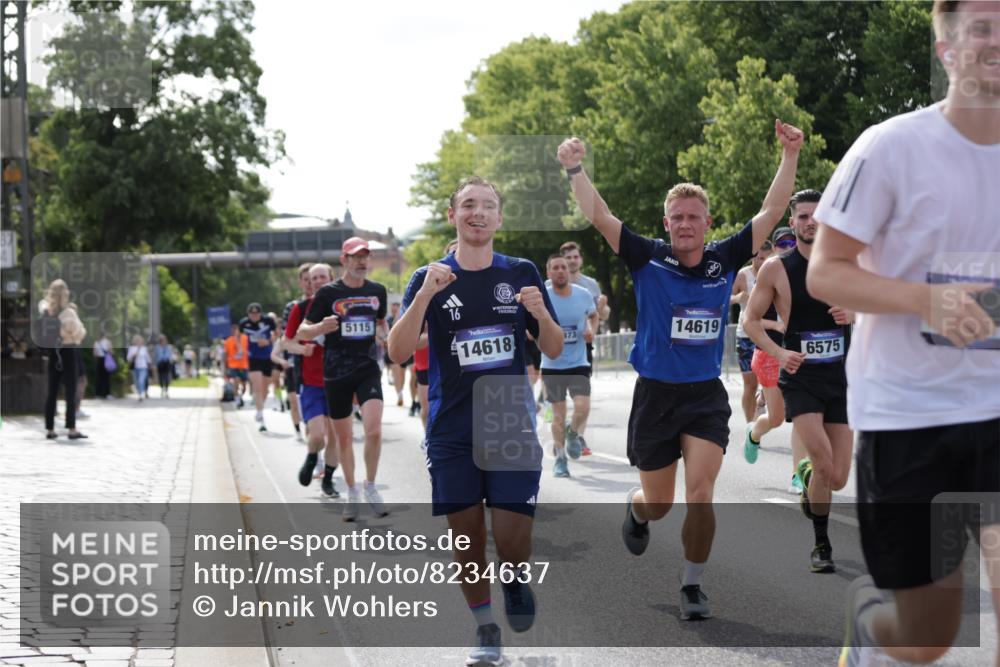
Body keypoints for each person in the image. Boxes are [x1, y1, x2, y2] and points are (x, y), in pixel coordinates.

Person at [807, 1, 1000, 663]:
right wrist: (923, 300)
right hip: (910, 417)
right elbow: (825, 272)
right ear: (947, 49)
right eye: (983, 26)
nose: (997, 38)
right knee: (926, 636)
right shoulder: (891, 148)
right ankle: (870, 625)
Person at [558, 120, 802, 620]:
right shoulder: (648, 257)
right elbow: (600, 215)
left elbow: (772, 210)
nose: (686, 223)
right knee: (660, 502)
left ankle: (692, 585)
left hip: (703, 396)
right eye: (677, 217)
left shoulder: (724, 257)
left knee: (701, 494)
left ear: (707, 222)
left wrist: (790, 155)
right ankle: (637, 507)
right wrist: (575, 169)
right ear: (667, 224)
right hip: (655, 396)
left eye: (694, 216)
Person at [388, 176, 562, 666]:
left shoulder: (521, 272)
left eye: (487, 206)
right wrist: (423, 296)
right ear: (453, 216)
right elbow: (399, 353)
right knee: (465, 541)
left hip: (506, 414)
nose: (477, 213)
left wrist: (541, 316)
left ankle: (514, 578)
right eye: (468, 205)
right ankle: (486, 628)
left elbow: (551, 348)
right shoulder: (429, 276)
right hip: (451, 424)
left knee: (511, 539)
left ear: (499, 218)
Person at [744, 189, 853, 574]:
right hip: (801, 377)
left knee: (837, 477)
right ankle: (821, 544)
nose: (810, 222)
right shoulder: (776, 268)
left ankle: (807, 473)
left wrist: (855, 313)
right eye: (802, 216)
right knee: (825, 464)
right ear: (792, 223)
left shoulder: (846, 262)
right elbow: (750, 321)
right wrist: (778, 353)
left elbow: (880, 308)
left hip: (841, 377)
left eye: (816, 215)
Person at [299, 237, 390, 521]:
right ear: (344, 260)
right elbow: (302, 331)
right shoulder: (327, 294)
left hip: (366, 367)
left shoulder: (378, 291)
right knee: (344, 437)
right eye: (355, 257)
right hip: (336, 371)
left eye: (366, 256)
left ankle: (371, 486)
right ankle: (351, 491)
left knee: (374, 430)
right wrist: (319, 327)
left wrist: (385, 335)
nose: (361, 261)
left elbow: (380, 322)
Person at [283, 263, 342, 498]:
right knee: (317, 434)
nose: (316, 281)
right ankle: (310, 457)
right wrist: (301, 350)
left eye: (321, 277)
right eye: (312, 278)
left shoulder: (342, 304)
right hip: (312, 382)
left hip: (339, 379)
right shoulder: (301, 309)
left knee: (335, 436)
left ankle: (328, 479)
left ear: (331, 278)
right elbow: (287, 341)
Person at [542, 254, 596, 477]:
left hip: (578, 362)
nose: (560, 271)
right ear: (549, 273)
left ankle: (573, 432)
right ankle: (560, 459)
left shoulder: (583, 295)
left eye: (563, 267)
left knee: (583, 407)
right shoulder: (543, 296)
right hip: (552, 364)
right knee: (557, 415)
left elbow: (593, 316)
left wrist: (592, 329)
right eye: (555, 268)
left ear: (569, 271)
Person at [36, 279, 88, 440]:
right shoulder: (69, 313)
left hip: (53, 352)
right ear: (65, 293)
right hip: (68, 351)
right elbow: (78, 333)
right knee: (70, 391)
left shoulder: (46, 311)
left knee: (52, 391)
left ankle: (50, 429)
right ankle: (71, 428)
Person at [281, 263, 314, 440]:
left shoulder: (324, 303)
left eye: (313, 279)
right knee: (294, 400)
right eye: (306, 280)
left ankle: (313, 445)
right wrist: (301, 347)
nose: (310, 283)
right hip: (295, 362)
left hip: (318, 363)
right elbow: (286, 337)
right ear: (300, 282)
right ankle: (297, 431)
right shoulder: (293, 307)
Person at [238, 303, 277, 431]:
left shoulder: (268, 321)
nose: (254, 316)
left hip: (267, 356)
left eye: (256, 313)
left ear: (260, 313)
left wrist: (268, 341)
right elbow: (238, 336)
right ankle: (261, 416)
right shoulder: (244, 323)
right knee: (258, 386)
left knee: (266, 387)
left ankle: (260, 406)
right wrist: (241, 348)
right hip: (253, 358)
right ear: (248, 314)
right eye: (251, 314)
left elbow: (277, 333)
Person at [223, 323, 249, 408]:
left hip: (244, 365)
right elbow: (226, 354)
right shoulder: (228, 341)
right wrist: (225, 367)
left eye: (236, 330)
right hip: (233, 365)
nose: (235, 332)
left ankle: (240, 396)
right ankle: (237, 400)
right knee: (236, 381)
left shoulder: (245, 338)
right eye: (233, 330)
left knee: (244, 386)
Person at [126, 334, 151, 401]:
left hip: (143, 367)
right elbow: (128, 358)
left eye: (139, 341)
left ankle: (141, 395)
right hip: (134, 368)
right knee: (136, 382)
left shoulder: (144, 348)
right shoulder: (131, 348)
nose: (138, 342)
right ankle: (139, 392)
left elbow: (148, 358)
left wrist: (150, 365)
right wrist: (133, 355)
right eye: (137, 341)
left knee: (141, 381)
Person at [93, 334, 113, 398]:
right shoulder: (108, 342)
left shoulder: (96, 342)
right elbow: (111, 352)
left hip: (99, 360)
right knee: (106, 378)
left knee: (99, 377)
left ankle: (98, 394)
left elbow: (94, 353)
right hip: (106, 360)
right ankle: (107, 394)